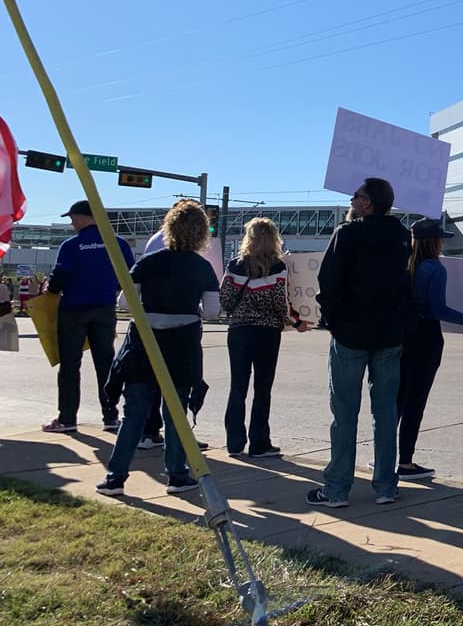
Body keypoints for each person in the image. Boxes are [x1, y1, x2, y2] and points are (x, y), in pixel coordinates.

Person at [96, 201, 219, 497]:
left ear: (168, 228)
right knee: (176, 412)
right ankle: (176, 474)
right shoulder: (202, 267)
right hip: (182, 346)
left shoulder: (148, 262)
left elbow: (124, 303)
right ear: (202, 233)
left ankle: (115, 478)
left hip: (144, 344)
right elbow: (213, 311)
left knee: (134, 412)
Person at [308, 177, 412, 509]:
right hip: (389, 333)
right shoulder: (401, 236)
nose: (352, 200)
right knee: (385, 412)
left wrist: (332, 318)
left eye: (356, 196)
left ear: (367, 203)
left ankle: (337, 488)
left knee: (344, 412)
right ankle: (386, 485)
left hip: (351, 333)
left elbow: (328, 280)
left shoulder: (347, 234)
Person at [220, 217, 311, 458]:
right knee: (262, 388)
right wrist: (297, 322)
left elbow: (225, 299)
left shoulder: (234, 265)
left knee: (237, 387)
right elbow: (281, 304)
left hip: (238, 331)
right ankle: (259, 443)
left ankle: (234, 443)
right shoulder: (278, 267)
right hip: (267, 333)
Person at [42, 200, 135, 434]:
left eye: (73, 218)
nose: (72, 223)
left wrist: (50, 288)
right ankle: (111, 416)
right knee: (106, 364)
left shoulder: (71, 245)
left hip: (73, 310)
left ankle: (67, 419)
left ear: (84, 218)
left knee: (70, 365)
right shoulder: (118, 243)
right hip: (104, 309)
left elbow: (60, 277)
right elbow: (130, 275)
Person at [399, 217, 463, 481]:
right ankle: (405, 461)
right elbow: (438, 310)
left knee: (397, 399)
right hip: (427, 337)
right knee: (416, 401)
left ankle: (384, 456)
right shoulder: (435, 269)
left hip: (404, 335)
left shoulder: (405, 266)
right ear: (434, 242)